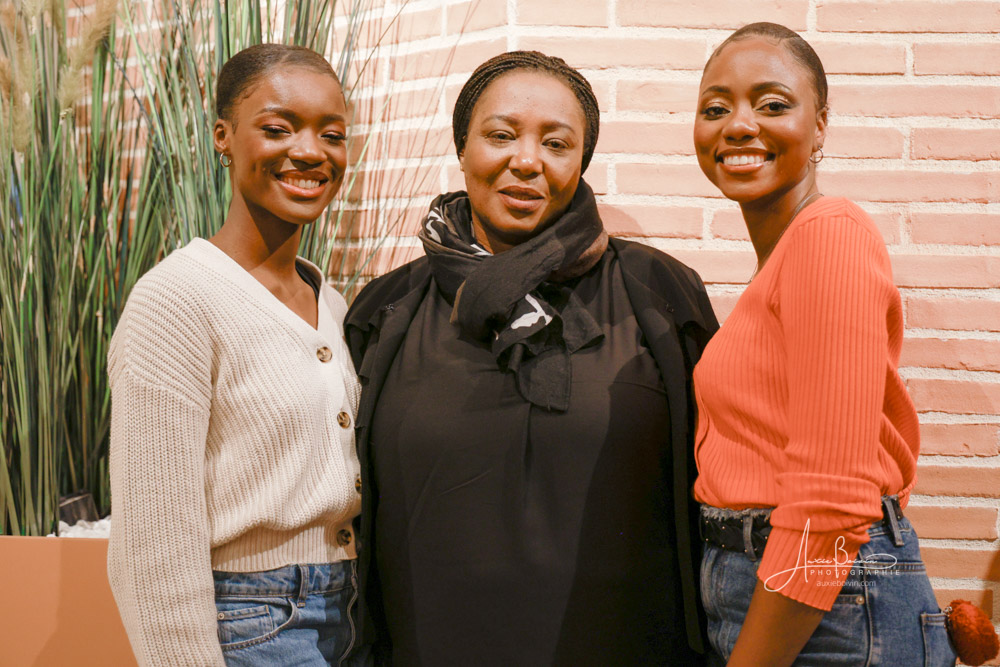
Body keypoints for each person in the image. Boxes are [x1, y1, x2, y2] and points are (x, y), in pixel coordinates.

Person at [343, 50, 718, 666]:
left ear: (581, 163)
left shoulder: (659, 294)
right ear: (462, 147)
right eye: (501, 135)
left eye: (556, 143)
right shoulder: (385, 310)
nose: (526, 160)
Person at [691, 22, 957, 667]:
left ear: (819, 127)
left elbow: (833, 499)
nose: (739, 125)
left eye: (772, 104)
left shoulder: (828, 234)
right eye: (716, 108)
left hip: (825, 605)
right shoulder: (784, 261)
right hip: (796, 592)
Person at [107, 44, 366, 666]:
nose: (310, 151)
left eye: (331, 134)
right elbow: (152, 544)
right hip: (250, 626)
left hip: (353, 614)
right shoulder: (176, 300)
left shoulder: (332, 303)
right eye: (278, 128)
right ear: (223, 136)